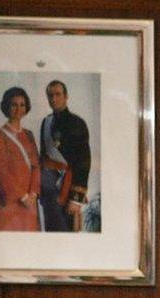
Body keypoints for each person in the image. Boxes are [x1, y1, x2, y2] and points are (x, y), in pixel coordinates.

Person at [39, 80, 90, 232]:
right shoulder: (46, 122)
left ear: (66, 96)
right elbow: (44, 158)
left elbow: (83, 162)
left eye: (57, 94)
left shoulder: (77, 123)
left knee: (67, 238)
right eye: (50, 95)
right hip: (49, 192)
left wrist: (76, 198)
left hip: (68, 190)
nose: (53, 99)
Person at [0, 87, 40, 231]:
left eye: (22, 105)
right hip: (10, 200)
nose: (18, 109)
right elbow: (2, 170)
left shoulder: (29, 135)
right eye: (14, 104)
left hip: (30, 201)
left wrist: (33, 193)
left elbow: (36, 167)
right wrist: (22, 196)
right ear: (7, 106)